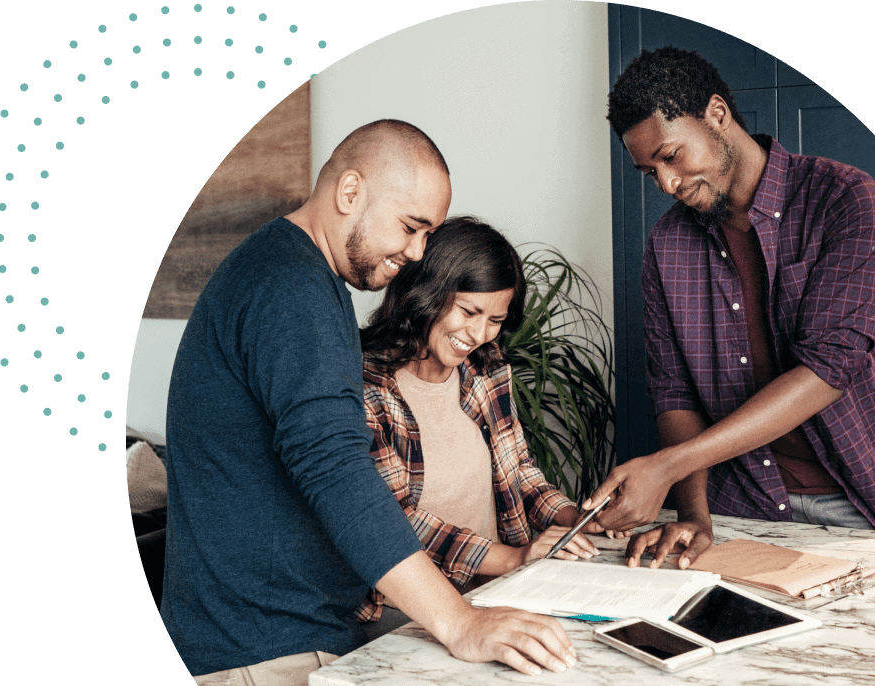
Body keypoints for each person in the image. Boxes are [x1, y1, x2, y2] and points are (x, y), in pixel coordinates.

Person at [161, 120, 576, 686]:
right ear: (349, 192)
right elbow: (337, 469)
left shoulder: (299, 276)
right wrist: (460, 622)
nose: (416, 252)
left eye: (427, 235)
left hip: (284, 636)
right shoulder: (290, 288)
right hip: (261, 649)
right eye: (411, 227)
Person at [583, 47, 875, 570]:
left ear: (717, 115)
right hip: (741, 510)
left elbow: (827, 369)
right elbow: (675, 390)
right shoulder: (666, 244)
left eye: (671, 156)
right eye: (648, 171)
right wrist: (694, 513)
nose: (667, 184)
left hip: (867, 502)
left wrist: (666, 467)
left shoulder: (845, 198)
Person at [353, 217, 611, 631]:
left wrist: (571, 518)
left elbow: (520, 473)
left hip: (497, 594)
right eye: (469, 311)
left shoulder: (486, 371)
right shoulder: (364, 387)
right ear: (426, 291)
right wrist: (515, 556)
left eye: (495, 320)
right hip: (406, 615)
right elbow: (394, 522)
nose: (478, 334)